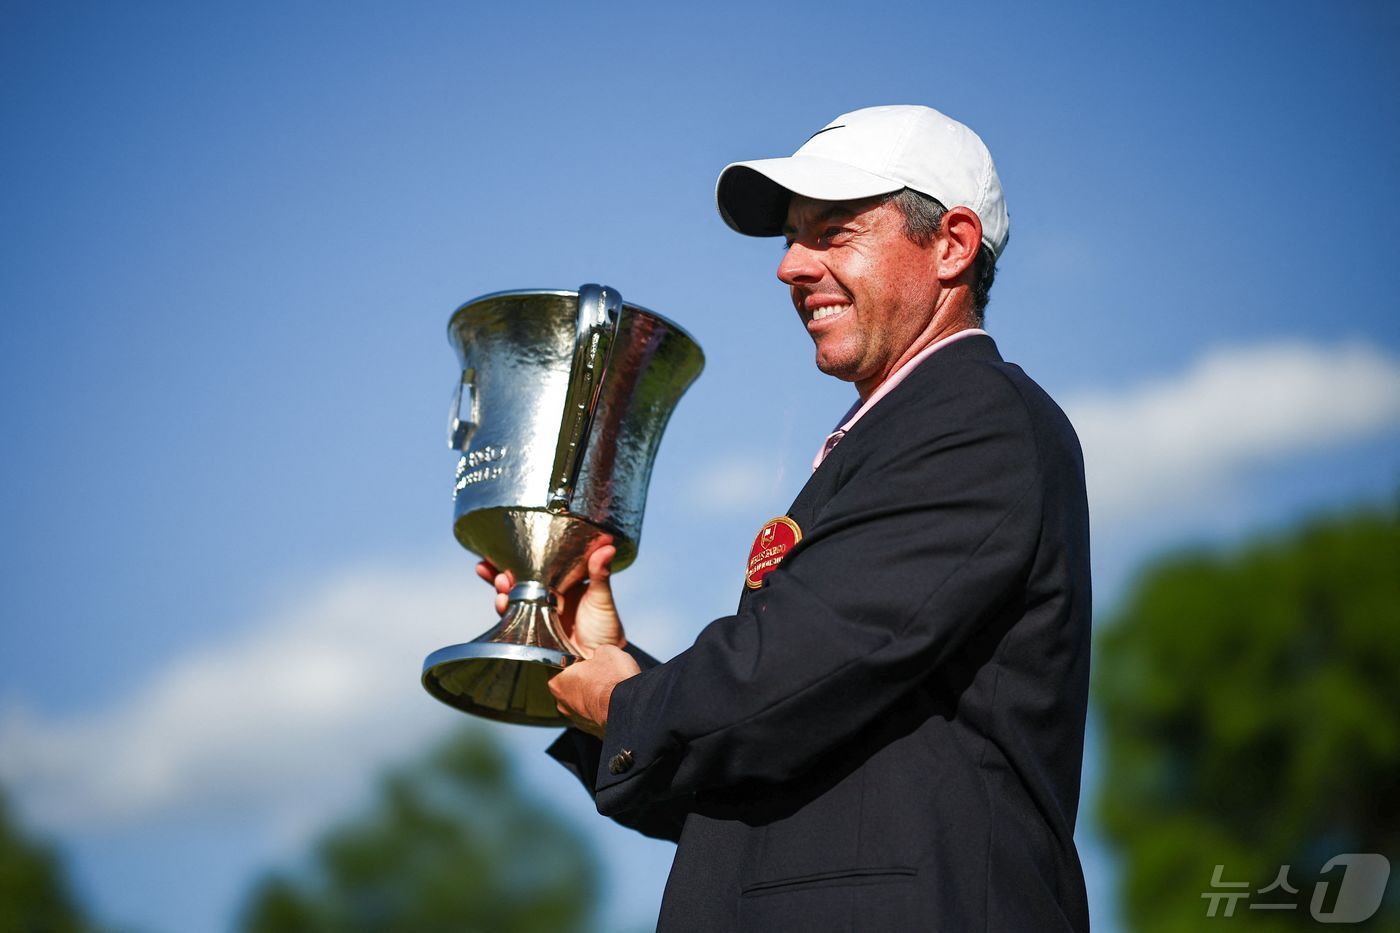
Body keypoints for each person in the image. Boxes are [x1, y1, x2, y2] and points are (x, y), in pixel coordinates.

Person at [480, 104, 1092, 931]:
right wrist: (601, 663)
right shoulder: (909, 428)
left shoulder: (975, 416)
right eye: (791, 239)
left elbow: (788, 675)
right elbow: (767, 769)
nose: (791, 267)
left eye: (834, 233)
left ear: (950, 243)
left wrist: (629, 706)